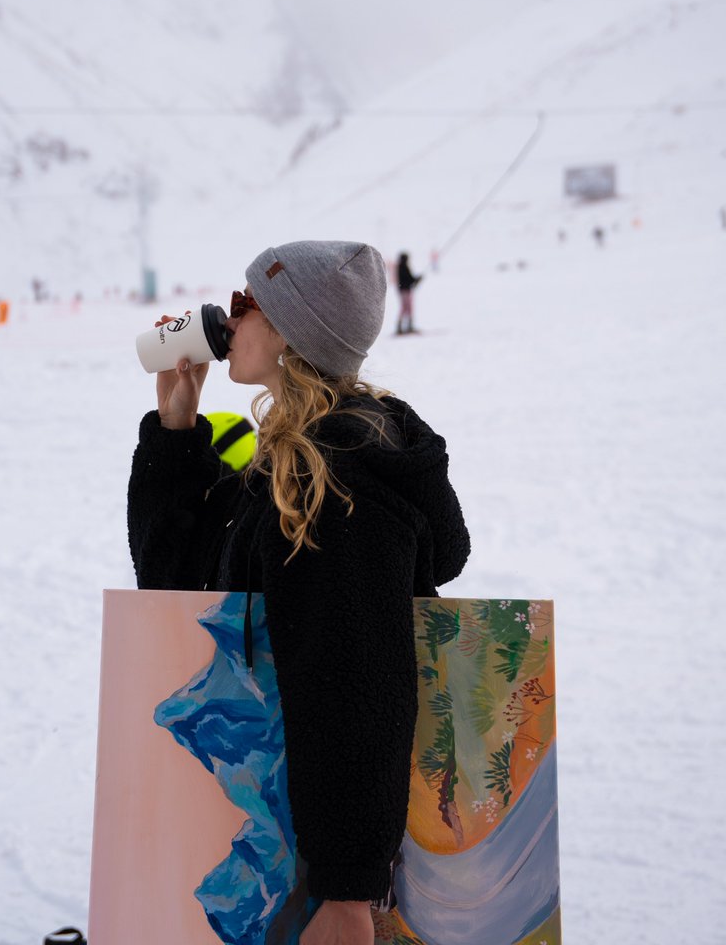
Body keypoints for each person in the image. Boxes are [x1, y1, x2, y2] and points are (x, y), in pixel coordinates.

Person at [127, 240, 470, 945]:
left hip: (319, 859)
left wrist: (346, 890)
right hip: (286, 827)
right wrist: (176, 430)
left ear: (288, 330)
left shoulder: (335, 479)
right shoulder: (292, 457)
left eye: (247, 303)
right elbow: (178, 582)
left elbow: (355, 678)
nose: (229, 318)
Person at [395, 252, 422, 335]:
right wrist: (417, 279)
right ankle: (405, 326)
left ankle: (403, 326)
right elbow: (409, 279)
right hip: (405, 291)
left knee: (406, 308)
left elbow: (408, 279)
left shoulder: (400, 267)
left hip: (404, 290)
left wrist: (416, 280)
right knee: (407, 308)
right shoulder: (403, 267)